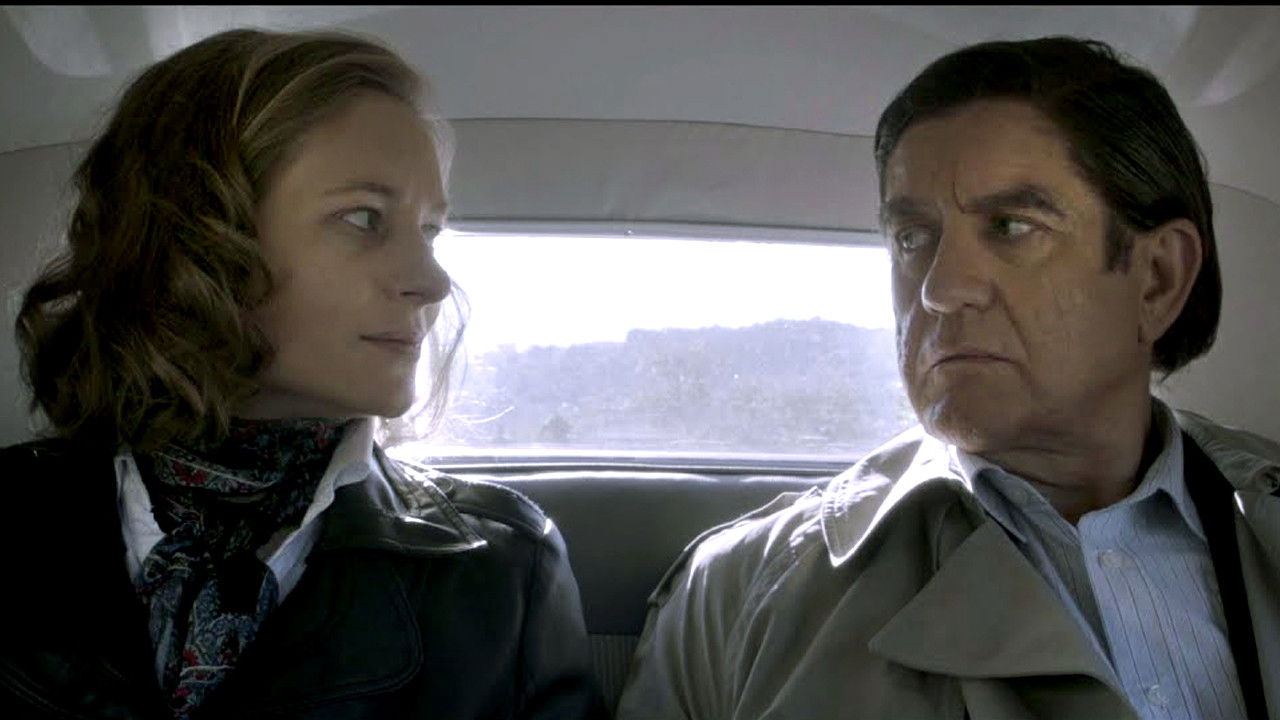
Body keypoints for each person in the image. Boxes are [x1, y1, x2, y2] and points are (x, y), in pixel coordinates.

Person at [617, 36, 1280, 720]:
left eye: (1011, 226)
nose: (938, 288)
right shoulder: (736, 596)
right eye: (912, 238)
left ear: (1157, 278)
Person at [1, 28, 605, 720]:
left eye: (430, 230)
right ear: (193, 238)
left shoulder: (506, 567)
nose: (433, 281)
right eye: (364, 218)